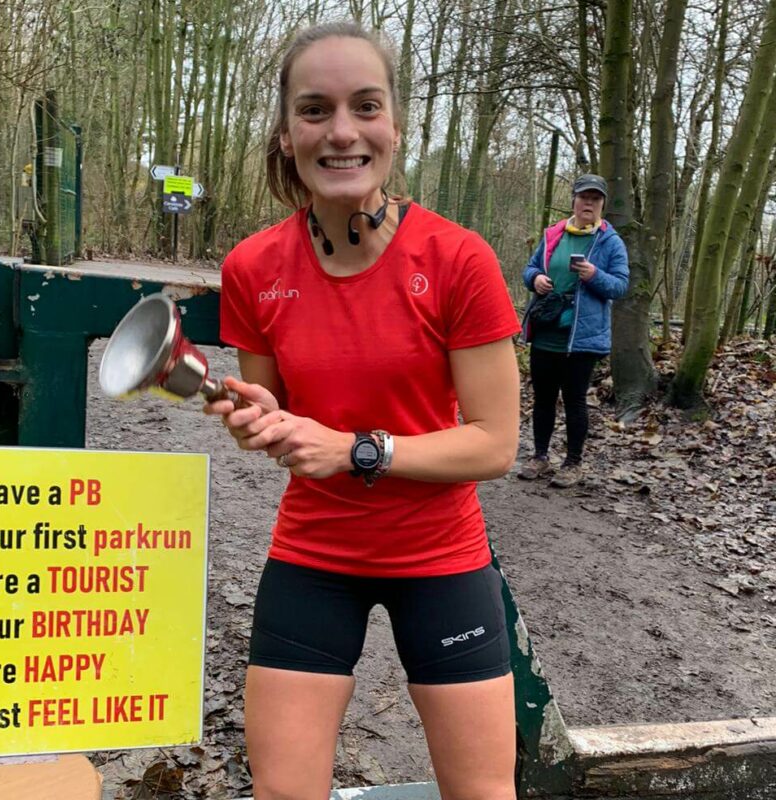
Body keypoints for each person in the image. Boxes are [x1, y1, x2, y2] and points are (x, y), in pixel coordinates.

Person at [203, 21, 523, 800]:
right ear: (286, 134)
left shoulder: (458, 259)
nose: (341, 131)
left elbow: (494, 444)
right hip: (313, 556)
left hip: (441, 559)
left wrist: (356, 450)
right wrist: (260, 422)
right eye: (315, 110)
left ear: (395, 128)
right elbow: (282, 418)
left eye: (364, 106)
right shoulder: (252, 267)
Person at [518, 174, 629, 488]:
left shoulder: (610, 241)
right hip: (546, 330)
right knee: (543, 398)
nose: (588, 204)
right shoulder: (554, 234)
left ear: (602, 205)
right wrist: (535, 279)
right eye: (584, 197)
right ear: (574, 201)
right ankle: (540, 456)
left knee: (575, 400)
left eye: (595, 199)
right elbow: (530, 268)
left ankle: (573, 462)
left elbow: (620, 286)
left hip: (582, 338)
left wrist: (594, 274)